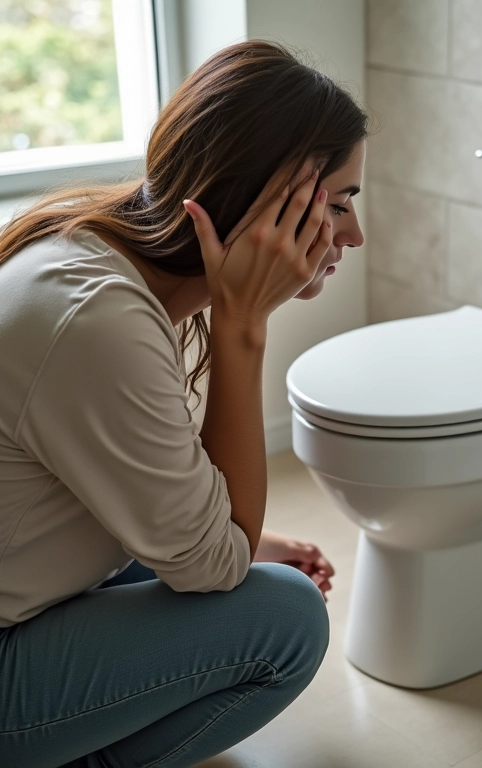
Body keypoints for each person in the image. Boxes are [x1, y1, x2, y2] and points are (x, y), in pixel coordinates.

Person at [0, 39, 367, 768]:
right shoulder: (98, 321)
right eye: (342, 201)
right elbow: (214, 571)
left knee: (254, 569)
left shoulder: (94, 258)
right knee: (286, 620)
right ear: (267, 203)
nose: (354, 235)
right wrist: (242, 329)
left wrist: (243, 542)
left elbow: (115, 485)